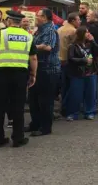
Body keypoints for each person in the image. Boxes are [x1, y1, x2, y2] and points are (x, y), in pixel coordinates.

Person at [0, 11, 38, 148]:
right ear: (20, 22)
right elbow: (33, 58)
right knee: (18, 107)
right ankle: (18, 138)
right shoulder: (28, 36)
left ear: (8, 21)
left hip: (1, 74)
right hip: (20, 75)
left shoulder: (1, 34)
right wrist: (33, 75)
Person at [26, 8, 60, 137]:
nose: (35, 17)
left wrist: (30, 46)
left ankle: (45, 127)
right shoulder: (38, 30)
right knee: (33, 99)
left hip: (48, 69)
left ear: (45, 18)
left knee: (45, 101)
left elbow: (48, 47)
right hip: (37, 68)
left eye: (38, 16)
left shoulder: (50, 30)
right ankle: (35, 123)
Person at [65, 26, 98, 120]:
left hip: (90, 72)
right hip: (77, 74)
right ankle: (73, 113)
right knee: (75, 94)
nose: (88, 34)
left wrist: (93, 41)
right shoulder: (73, 46)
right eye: (86, 32)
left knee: (90, 94)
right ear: (81, 34)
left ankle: (89, 112)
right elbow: (71, 58)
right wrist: (84, 60)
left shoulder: (90, 44)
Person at [57, 13, 79, 116]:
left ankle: (63, 107)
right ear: (73, 21)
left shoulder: (59, 29)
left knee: (63, 85)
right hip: (68, 61)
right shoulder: (73, 31)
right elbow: (76, 47)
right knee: (70, 86)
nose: (79, 22)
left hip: (59, 60)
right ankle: (66, 108)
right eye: (78, 20)